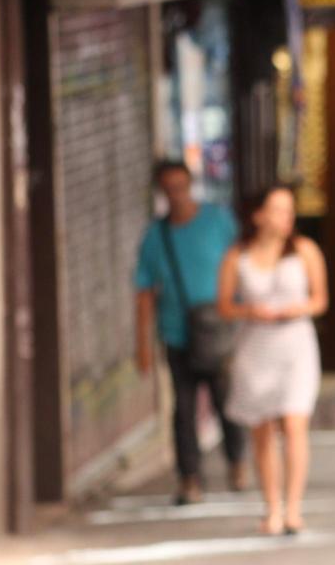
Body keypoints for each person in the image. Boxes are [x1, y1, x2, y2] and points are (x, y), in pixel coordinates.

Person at [217, 184, 328, 535]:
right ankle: (272, 508)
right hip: (256, 346)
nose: (286, 217)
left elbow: (320, 299)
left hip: (296, 344)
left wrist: (298, 308)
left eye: (289, 210)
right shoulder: (237, 255)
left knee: (295, 424)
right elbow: (224, 305)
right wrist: (250, 311)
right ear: (258, 215)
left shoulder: (305, 250)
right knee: (262, 429)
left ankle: (293, 508)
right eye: (278, 209)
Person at [135, 160, 247, 505]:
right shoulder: (155, 236)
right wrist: (142, 345)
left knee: (226, 403)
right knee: (183, 411)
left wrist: (242, 313)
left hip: (218, 331)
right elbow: (144, 292)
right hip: (177, 335)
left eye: (181, 186)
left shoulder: (217, 221)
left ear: (190, 185)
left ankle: (237, 463)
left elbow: (241, 263)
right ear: (161, 192)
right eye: (169, 188)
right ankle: (189, 479)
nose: (177, 194)